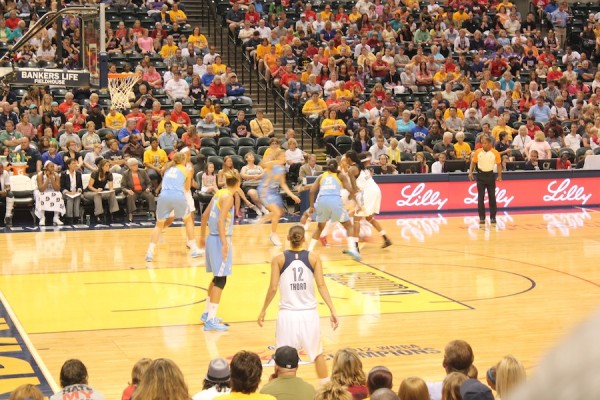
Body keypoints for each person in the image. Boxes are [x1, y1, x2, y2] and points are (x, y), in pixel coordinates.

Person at [258, 225, 339, 382]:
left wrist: (263, 310)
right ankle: (327, 391)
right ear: (304, 239)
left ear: (288, 238)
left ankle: (282, 392)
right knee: (317, 354)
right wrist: (332, 309)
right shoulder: (314, 258)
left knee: (282, 357)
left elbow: (273, 288)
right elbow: (321, 285)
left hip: (287, 315)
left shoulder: (278, 259)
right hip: (309, 314)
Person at [199, 170, 241, 331]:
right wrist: (224, 244)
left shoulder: (219, 193)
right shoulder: (229, 196)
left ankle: (207, 313)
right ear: (238, 184)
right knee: (221, 279)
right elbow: (221, 221)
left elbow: (204, 215)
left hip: (211, 238)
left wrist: (202, 237)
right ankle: (211, 320)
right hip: (220, 239)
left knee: (216, 277)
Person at [146, 152, 203, 262]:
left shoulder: (168, 169)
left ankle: (150, 252)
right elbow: (186, 189)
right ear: (183, 160)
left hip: (163, 197)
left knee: (158, 226)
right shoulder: (186, 170)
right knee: (188, 221)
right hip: (177, 196)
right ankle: (194, 248)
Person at [307, 159, 361, 260]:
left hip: (322, 201)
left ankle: (309, 251)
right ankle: (353, 249)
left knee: (319, 227)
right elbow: (350, 190)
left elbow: (311, 191)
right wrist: (354, 192)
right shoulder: (340, 176)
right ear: (337, 167)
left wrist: (311, 206)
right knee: (348, 226)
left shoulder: (321, 176)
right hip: (335, 201)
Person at [346, 151, 392, 250]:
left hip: (367, 193)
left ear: (349, 159)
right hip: (375, 189)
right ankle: (386, 238)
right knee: (369, 218)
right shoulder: (361, 166)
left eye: (346, 158)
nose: (345, 160)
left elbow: (354, 188)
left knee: (356, 219)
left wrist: (351, 195)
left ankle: (355, 247)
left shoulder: (352, 170)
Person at [257, 150, 301, 246]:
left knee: (280, 213)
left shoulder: (282, 169)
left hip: (273, 192)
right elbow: (261, 164)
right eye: (283, 157)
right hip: (265, 191)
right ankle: (273, 234)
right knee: (276, 212)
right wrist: (274, 160)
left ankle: (263, 219)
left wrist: (292, 195)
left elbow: (283, 185)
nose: (285, 158)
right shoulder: (272, 165)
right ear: (278, 157)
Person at [468, 136, 502, 225]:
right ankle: (482, 217)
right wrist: (470, 172)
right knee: (480, 197)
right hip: (480, 175)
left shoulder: (495, 153)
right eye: (482, 143)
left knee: (492, 197)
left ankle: (493, 217)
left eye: (485, 143)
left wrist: (499, 175)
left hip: (490, 175)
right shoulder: (478, 152)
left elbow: (499, 165)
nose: (483, 145)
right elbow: (473, 162)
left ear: (490, 144)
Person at [122, 158, 156, 222]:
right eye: (134, 165)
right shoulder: (126, 174)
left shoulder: (142, 171)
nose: (136, 166)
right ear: (129, 166)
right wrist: (127, 191)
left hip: (143, 191)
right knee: (130, 196)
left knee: (150, 196)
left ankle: (152, 212)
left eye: (136, 164)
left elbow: (149, 183)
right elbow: (123, 187)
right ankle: (131, 213)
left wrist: (148, 188)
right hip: (133, 191)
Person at [35, 160, 66, 226]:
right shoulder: (40, 174)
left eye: (53, 166)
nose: (52, 168)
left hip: (52, 190)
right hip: (42, 191)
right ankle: (42, 218)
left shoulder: (56, 175)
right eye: (51, 166)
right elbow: (41, 189)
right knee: (41, 195)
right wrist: (47, 179)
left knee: (58, 194)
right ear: (46, 167)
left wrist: (51, 178)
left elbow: (57, 189)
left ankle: (56, 217)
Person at [60, 158, 83, 224]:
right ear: (68, 165)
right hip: (66, 192)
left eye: (75, 163)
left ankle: (76, 217)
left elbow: (80, 186)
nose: (75, 165)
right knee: (70, 197)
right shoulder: (64, 174)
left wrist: (78, 190)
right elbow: (61, 187)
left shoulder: (78, 174)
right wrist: (68, 192)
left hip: (75, 192)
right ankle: (69, 217)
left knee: (77, 197)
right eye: (73, 163)